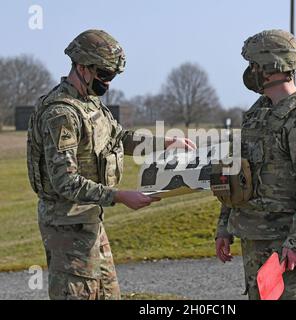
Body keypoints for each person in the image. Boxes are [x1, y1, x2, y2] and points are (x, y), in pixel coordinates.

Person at [27, 29, 194, 300]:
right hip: (67, 228)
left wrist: (165, 143)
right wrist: (118, 196)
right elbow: (65, 182)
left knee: (108, 294)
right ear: (82, 67)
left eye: (112, 75)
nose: (108, 82)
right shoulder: (61, 114)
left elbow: (120, 138)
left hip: (91, 221)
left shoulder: (90, 104)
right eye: (104, 74)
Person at [215, 29, 296, 300]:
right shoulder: (256, 114)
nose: (250, 71)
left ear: (270, 67)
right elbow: (236, 172)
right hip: (253, 240)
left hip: (286, 249)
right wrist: (225, 226)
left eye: (253, 64)